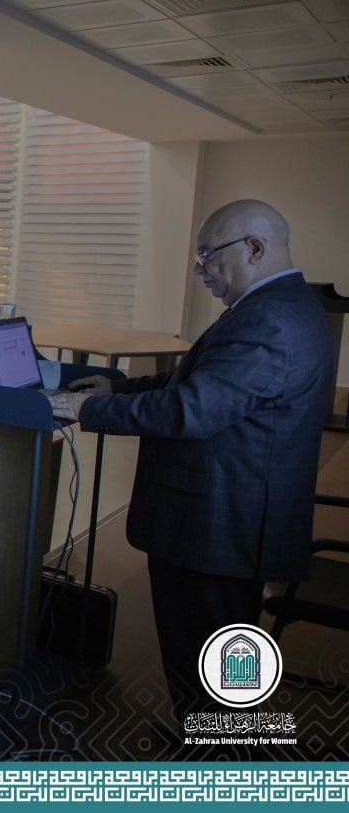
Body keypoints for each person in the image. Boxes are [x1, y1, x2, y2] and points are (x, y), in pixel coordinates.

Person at [48, 199, 333, 722]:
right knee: (217, 665)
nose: (199, 270)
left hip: (218, 527)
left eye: (207, 256)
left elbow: (192, 409)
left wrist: (85, 409)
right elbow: (197, 380)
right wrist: (117, 388)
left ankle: (217, 756)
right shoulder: (282, 304)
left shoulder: (268, 319)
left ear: (254, 248)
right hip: (231, 517)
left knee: (209, 668)